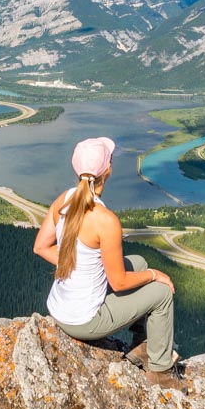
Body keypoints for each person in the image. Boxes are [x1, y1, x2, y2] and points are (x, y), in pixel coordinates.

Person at [33, 136, 183, 390]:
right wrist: (156, 275)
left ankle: (143, 345)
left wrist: (74, 262)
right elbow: (119, 282)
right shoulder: (106, 220)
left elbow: (40, 247)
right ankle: (160, 370)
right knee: (161, 293)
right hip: (84, 321)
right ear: (108, 170)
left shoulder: (65, 199)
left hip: (59, 308)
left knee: (137, 261)